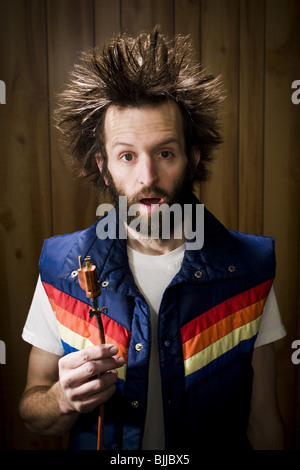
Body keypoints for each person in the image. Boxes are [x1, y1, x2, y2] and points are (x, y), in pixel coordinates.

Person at [19, 27, 286, 450]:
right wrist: (62, 398)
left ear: (191, 158)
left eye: (164, 153)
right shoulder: (61, 267)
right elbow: (34, 413)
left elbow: (263, 422)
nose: (147, 177)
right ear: (104, 167)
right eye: (127, 155)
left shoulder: (249, 268)